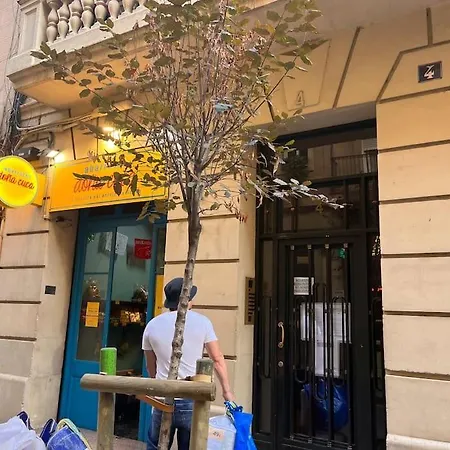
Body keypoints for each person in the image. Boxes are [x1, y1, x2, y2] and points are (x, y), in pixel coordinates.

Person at [142, 277, 234, 450]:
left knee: (156, 445)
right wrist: (227, 392)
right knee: (191, 446)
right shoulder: (203, 322)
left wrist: (158, 386)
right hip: (191, 397)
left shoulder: (152, 325)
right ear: (187, 299)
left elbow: (150, 367)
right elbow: (217, 359)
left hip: (162, 397)